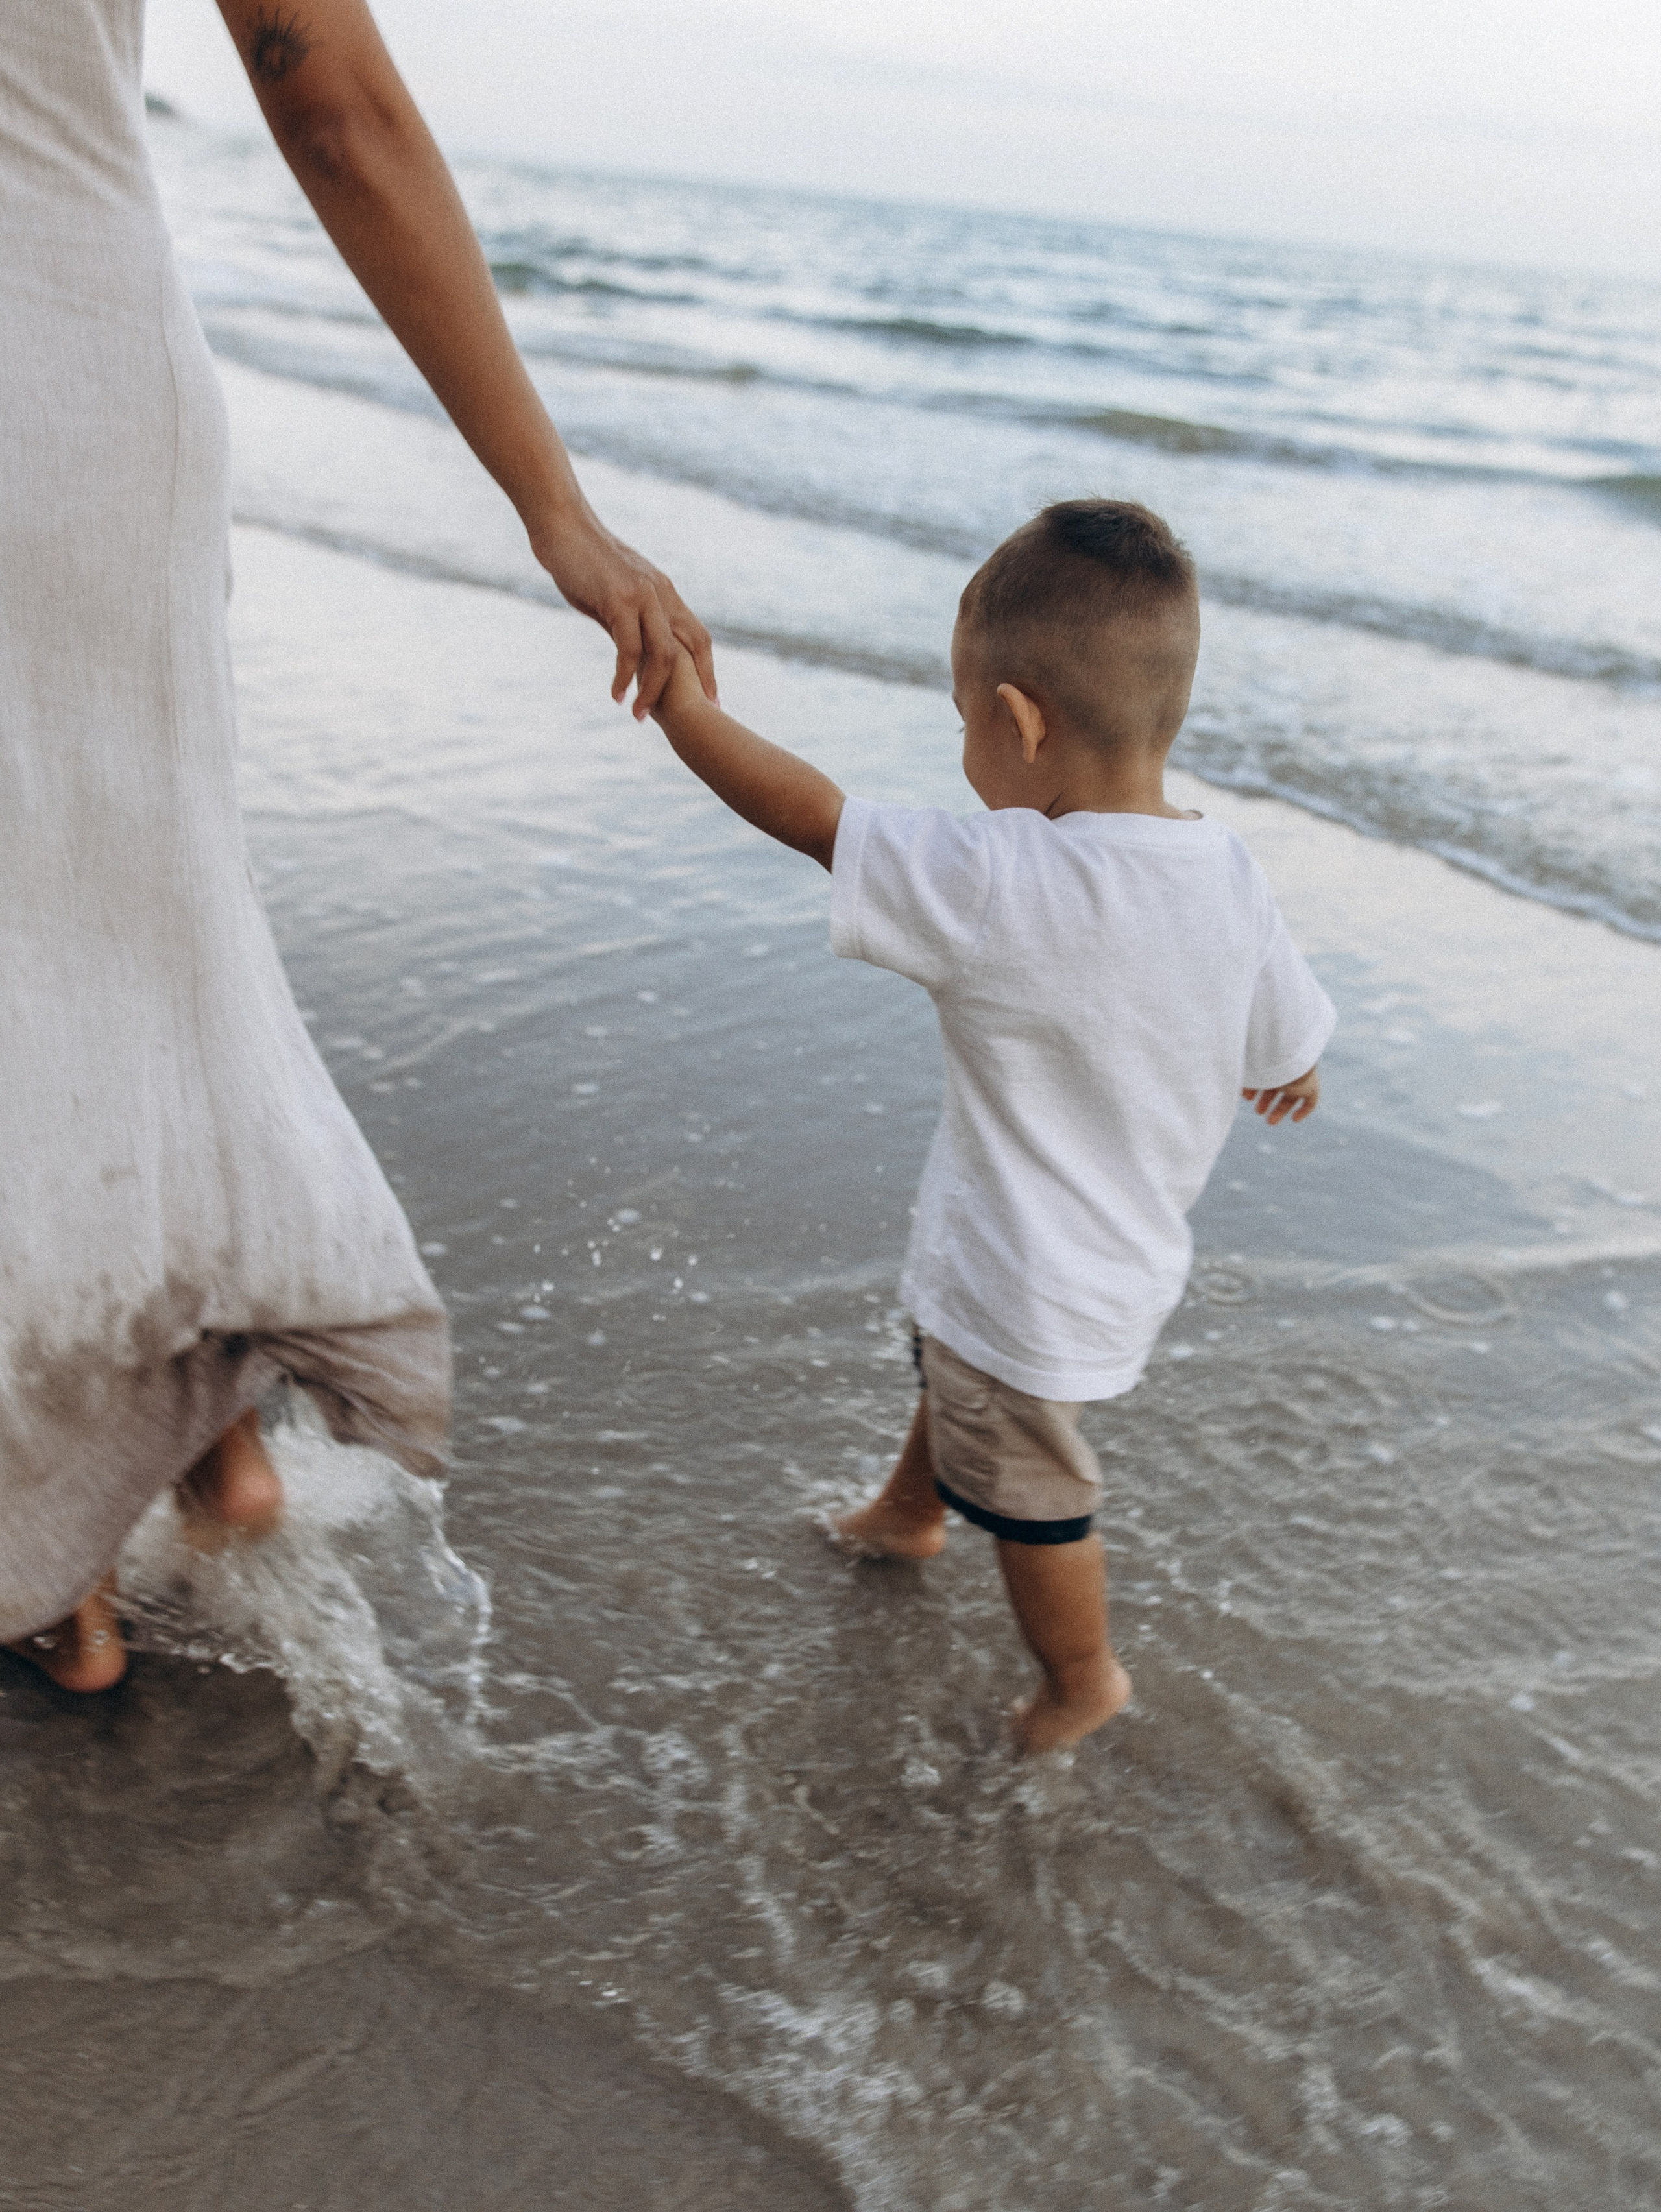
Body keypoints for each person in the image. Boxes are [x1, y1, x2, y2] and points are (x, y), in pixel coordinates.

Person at [1, 0, 713, 1692]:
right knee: (147, 939)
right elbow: (336, 103)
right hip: (92, 396)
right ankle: (206, 1455)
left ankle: (60, 1557)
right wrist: (553, 504)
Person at [647, 498, 1335, 1752]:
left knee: (1032, 1495)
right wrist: (1294, 1070)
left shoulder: (999, 879)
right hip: (1104, 1255)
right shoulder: (1226, 868)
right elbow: (1287, 1035)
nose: (965, 747)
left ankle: (1081, 1677)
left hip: (1023, 1280)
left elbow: (815, 817)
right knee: (953, 1369)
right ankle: (909, 1512)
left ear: (1019, 721)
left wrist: (685, 707)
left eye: (964, 720)